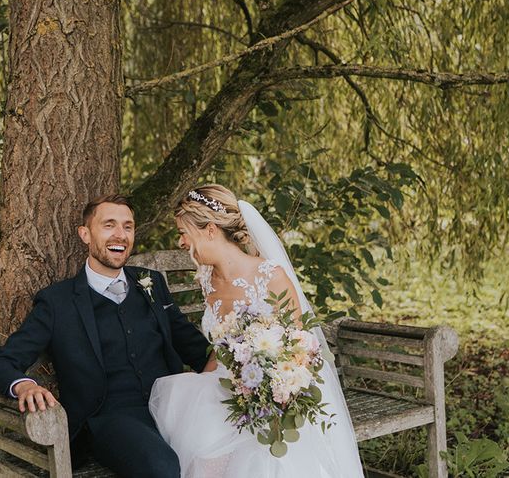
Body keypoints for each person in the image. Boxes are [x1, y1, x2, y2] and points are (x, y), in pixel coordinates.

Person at [0, 194, 210, 478]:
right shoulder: (57, 302)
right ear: (85, 234)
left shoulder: (151, 284)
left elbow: (197, 350)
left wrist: (252, 365)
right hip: (107, 420)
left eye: (128, 226)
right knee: (161, 467)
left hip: (173, 408)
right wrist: (25, 386)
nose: (120, 235)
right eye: (109, 225)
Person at [149, 184, 365, 478]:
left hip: (272, 399)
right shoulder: (207, 279)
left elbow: (300, 352)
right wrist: (204, 380)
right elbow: (222, 346)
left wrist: (267, 393)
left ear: (210, 230)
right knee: (193, 414)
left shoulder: (270, 276)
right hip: (226, 389)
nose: (181, 241)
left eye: (184, 232)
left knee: (242, 452)